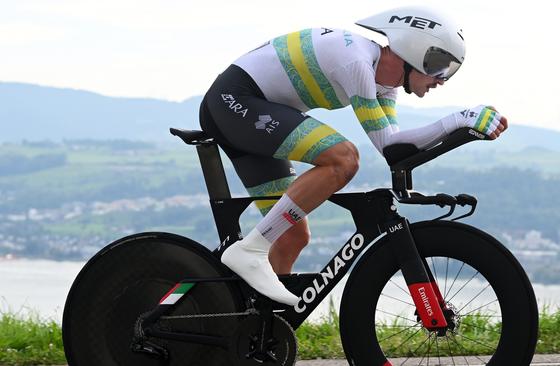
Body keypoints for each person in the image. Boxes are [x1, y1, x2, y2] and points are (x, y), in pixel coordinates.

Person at [199, 6, 508, 305]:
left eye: (450, 72)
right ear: (415, 50)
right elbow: (388, 145)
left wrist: (464, 128)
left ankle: (261, 327)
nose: (441, 80)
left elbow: (396, 148)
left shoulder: (383, 84)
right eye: (440, 66)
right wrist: (458, 119)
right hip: (234, 102)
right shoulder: (357, 63)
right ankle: (251, 250)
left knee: (292, 237)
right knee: (343, 159)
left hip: (248, 114)